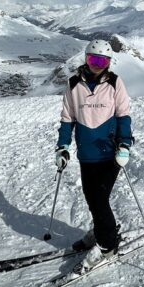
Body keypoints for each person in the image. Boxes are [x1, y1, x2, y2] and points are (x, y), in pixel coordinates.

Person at [55, 39, 133, 274]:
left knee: (99, 199)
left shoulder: (115, 83)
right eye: (93, 60)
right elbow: (67, 119)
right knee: (92, 197)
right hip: (87, 154)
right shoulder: (73, 84)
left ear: (109, 63)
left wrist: (124, 145)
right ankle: (100, 230)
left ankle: (107, 244)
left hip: (110, 154)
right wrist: (63, 146)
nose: (97, 65)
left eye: (102, 61)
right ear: (86, 59)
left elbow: (124, 116)